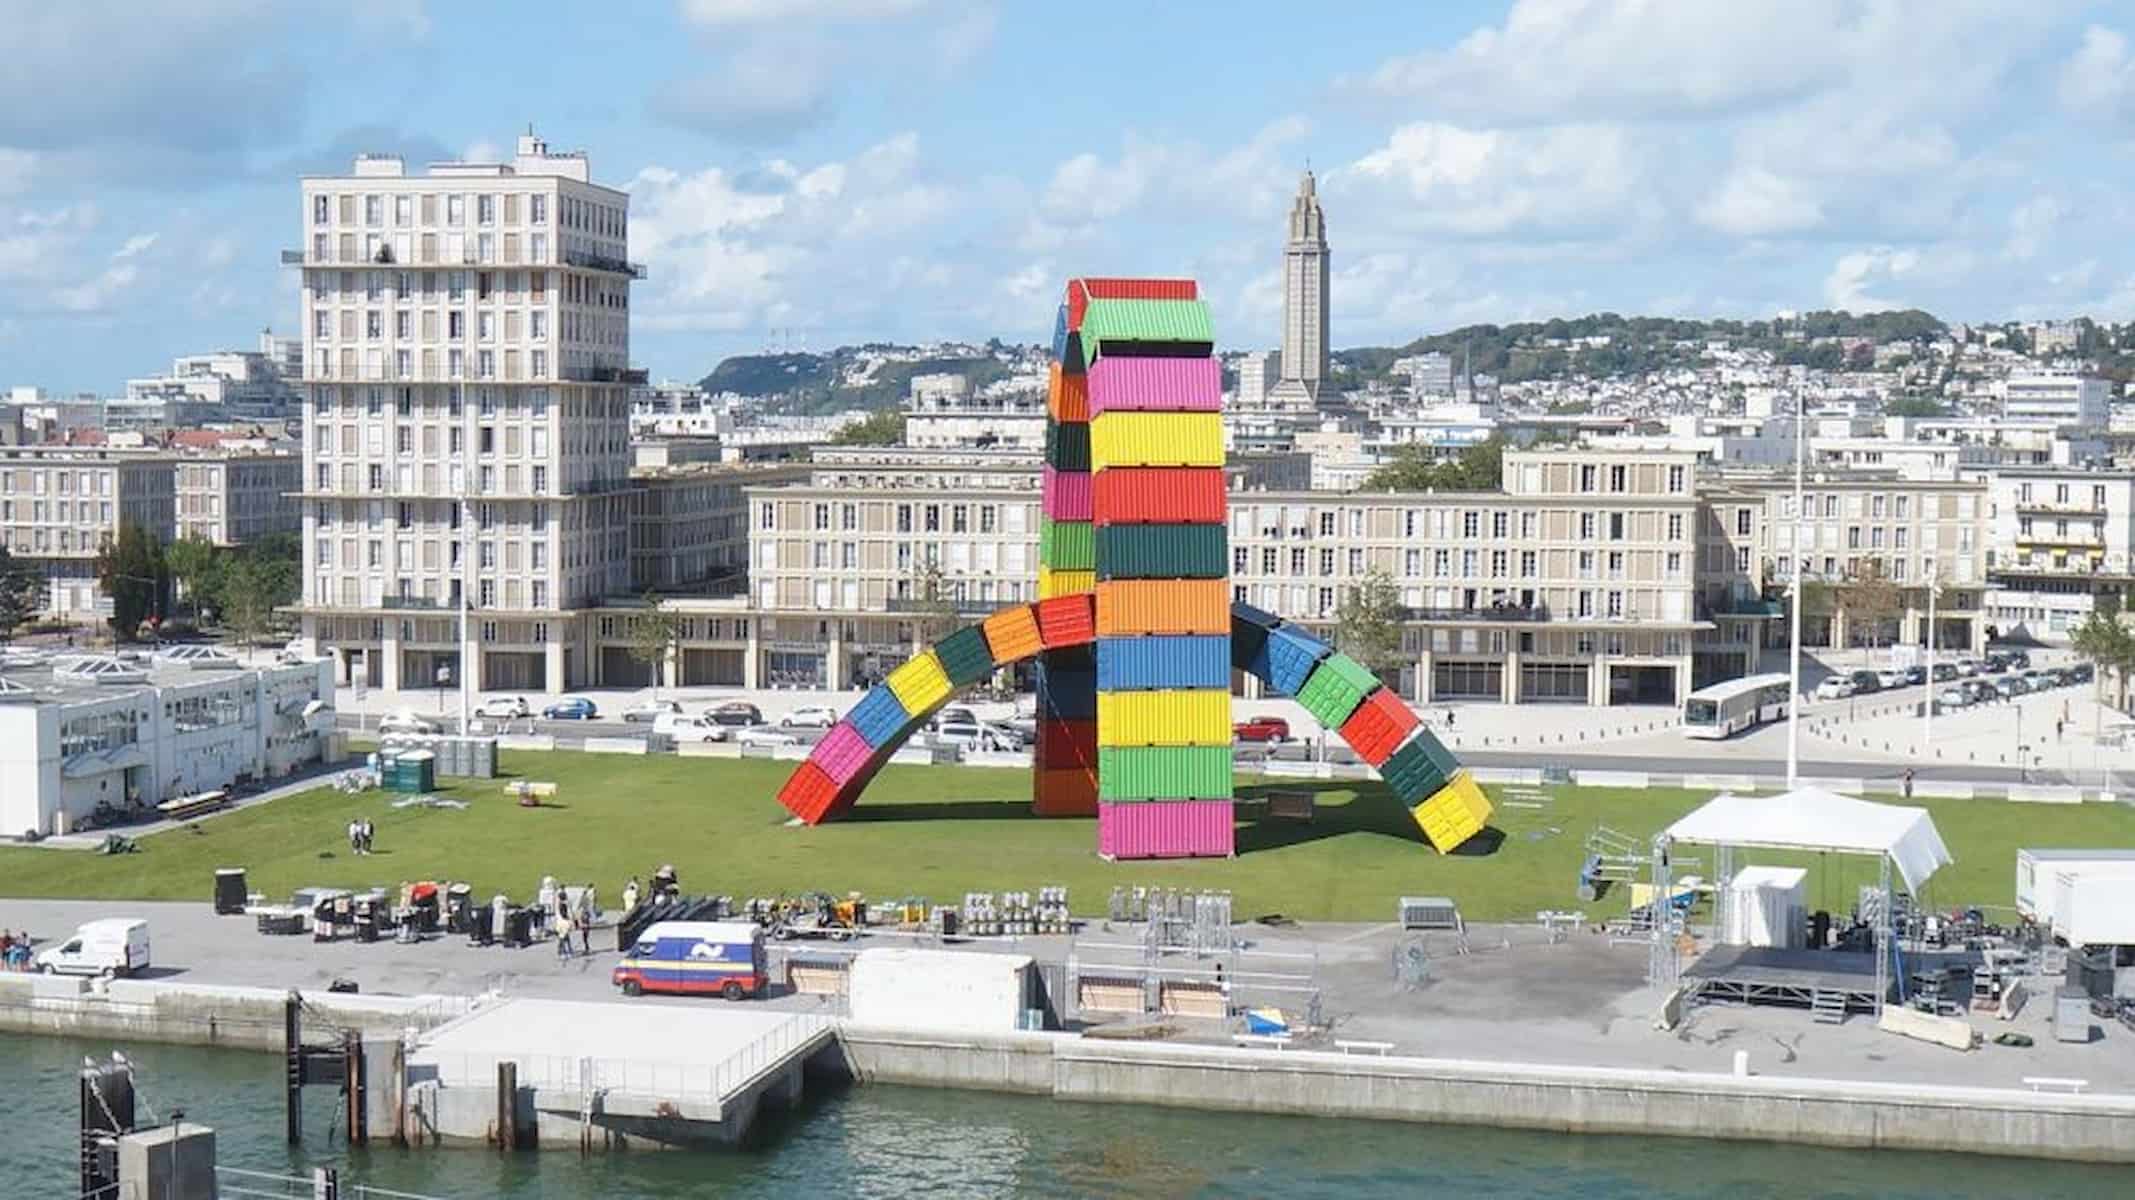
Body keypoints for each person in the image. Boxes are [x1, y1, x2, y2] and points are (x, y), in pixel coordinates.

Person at [577, 884, 595, 955]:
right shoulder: (587, 899)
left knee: (585, 936)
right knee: (585, 936)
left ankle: (587, 948)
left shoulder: (583, 899)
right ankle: (586, 948)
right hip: (586, 922)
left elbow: (580, 907)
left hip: (585, 923)